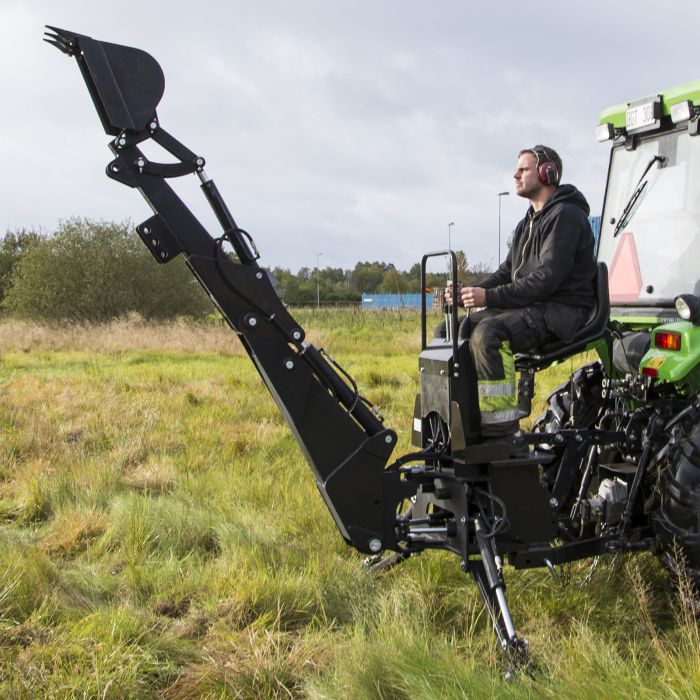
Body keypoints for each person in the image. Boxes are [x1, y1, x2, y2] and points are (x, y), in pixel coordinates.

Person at [444, 145, 597, 451]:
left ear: (547, 173)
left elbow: (546, 280)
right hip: (533, 307)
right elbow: (506, 273)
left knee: (488, 334)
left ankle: (501, 432)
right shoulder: (526, 223)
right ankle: (459, 419)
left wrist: (488, 296)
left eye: (523, 169)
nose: (515, 174)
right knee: (448, 332)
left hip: (560, 312)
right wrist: (468, 293)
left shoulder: (566, 216)